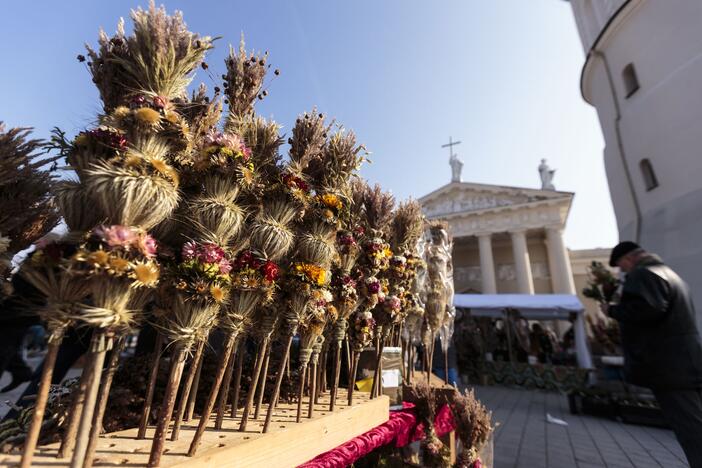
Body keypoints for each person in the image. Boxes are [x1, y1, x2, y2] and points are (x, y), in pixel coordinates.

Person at [604, 241, 702, 468]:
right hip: (687, 362)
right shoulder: (670, 274)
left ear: (628, 260)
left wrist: (613, 310)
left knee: (691, 428)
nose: (623, 271)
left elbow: (646, 310)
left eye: (621, 266)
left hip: (670, 367)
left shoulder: (643, 275)